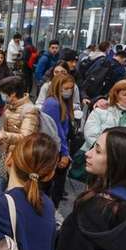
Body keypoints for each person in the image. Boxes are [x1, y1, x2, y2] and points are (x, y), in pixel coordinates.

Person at [0, 76, 40, 191]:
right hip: (7, 156)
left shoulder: (30, 110)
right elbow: (6, 128)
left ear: (13, 94)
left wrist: (3, 136)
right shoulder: (10, 105)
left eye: (4, 93)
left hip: (20, 160)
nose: (3, 96)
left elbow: (26, 137)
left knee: (13, 190)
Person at [80, 79, 126, 161]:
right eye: (125, 94)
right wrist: (108, 152)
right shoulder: (101, 110)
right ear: (116, 94)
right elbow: (91, 135)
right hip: (96, 156)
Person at [41, 73, 75, 207]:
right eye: (66, 88)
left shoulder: (60, 102)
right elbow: (57, 132)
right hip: (56, 149)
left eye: (71, 88)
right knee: (52, 187)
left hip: (58, 147)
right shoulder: (53, 103)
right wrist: (65, 153)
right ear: (57, 87)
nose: (69, 91)